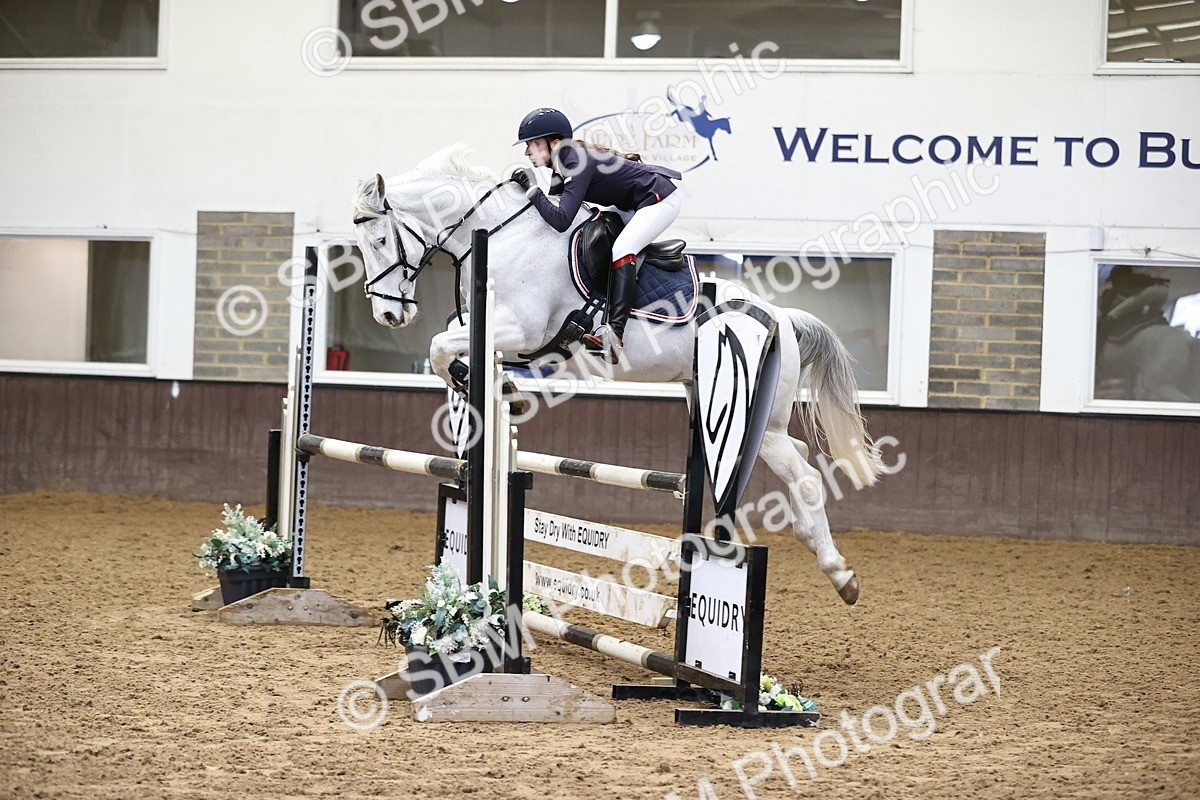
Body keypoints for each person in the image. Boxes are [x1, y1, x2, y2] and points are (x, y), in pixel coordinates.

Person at [510, 107, 683, 363]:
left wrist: (533, 190)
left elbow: (560, 219)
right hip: (630, 205)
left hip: (658, 199)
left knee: (622, 249)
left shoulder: (574, 161)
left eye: (533, 144)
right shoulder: (561, 164)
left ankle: (614, 336)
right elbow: (555, 212)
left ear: (555, 142)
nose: (526, 152)